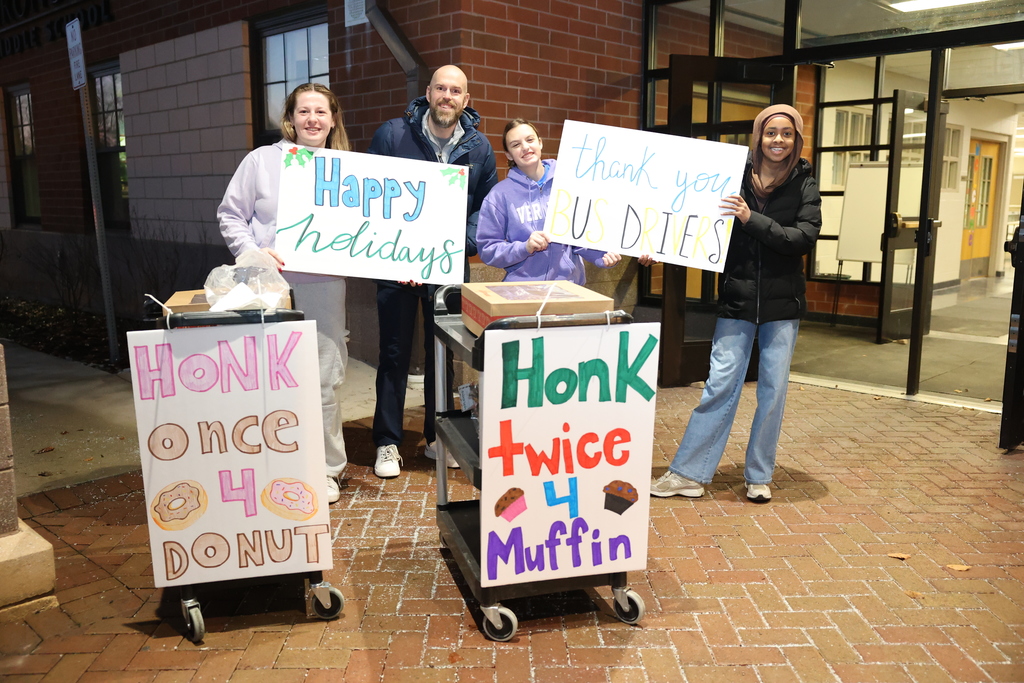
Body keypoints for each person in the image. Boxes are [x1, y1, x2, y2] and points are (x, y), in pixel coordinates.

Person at [651, 104, 821, 503]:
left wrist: (750, 218)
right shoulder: (731, 175)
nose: (778, 140)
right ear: (758, 137)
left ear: (796, 139)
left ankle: (759, 475)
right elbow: (695, 221)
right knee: (719, 385)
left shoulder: (804, 183)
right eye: (770, 132)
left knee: (773, 391)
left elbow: (802, 238)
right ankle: (689, 474)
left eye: (786, 133)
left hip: (782, 306)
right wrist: (660, 245)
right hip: (737, 300)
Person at [217, 83, 351, 504]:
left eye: (321, 112)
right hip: (267, 286)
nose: (312, 119)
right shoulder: (260, 161)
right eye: (304, 111)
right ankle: (274, 463)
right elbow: (230, 215)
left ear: (332, 120)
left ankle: (328, 469)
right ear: (290, 119)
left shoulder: (347, 169)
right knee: (268, 376)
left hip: (325, 284)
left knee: (324, 379)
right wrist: (252, 253)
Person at [367, 65, 498, 478]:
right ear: (428, 92)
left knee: (442, 354)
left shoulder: (479, 148)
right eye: (441, 87)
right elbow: (372, 197)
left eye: (455, 90)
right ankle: (388, 442)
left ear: (466, 99)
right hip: (396, 266)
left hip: (446, 267)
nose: (447, 95)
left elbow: (485, 209)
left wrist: (460, 242)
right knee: (393, 354)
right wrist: (394, 256)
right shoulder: (392, 135)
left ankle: (436, 435)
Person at [477, 118, 620, 281]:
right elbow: (488, 249)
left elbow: (580, 234)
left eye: (530, 140)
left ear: (540, 143)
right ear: (509, 155)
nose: (525, 147)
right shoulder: (499, 195)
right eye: (516, 145)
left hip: (567, 287)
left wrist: (602, 255)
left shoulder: (568, 183)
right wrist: (524, 247)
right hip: (521, 290)